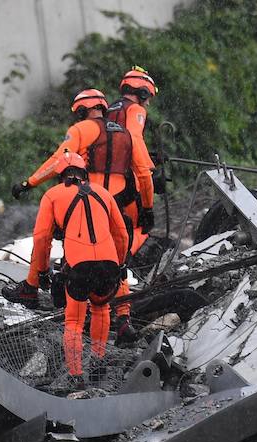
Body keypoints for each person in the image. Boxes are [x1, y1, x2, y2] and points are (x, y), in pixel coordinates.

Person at [4, 151, 129, 390]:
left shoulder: (53, 195)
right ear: (84, 173)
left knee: (74, 321)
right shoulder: (104, 193)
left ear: (61, 175)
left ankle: (75, 375)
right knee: (101, 309)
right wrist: (121, 265)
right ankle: (98, 361)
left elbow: (42, 240)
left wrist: (40, 272)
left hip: (79, 267)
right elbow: (121, 235)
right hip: (109, 265)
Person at [105, 66, 158, 342]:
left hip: (100, 191)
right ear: (141, 92)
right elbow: (136, 151)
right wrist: (147, 203)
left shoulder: (108, 111)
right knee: (123, 251)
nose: (148, 102)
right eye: (148, 95)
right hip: (126, 192)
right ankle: (122, 318)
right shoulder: (136, 111)